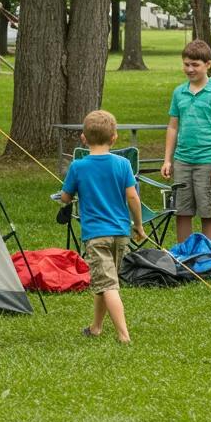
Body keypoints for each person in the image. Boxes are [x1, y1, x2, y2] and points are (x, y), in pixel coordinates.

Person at [59, 109, 147, 344]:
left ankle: (124, 335)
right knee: (104, 281)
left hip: (96, 236)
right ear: (114, 138)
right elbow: (133, 198)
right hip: (120, 234)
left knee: (108, 285)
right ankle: (96, 327)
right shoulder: (123, 164)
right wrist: (138, 226)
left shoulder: (78, 167)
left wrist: (66, 196)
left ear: (83, 138)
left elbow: (66, 198)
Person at [160, 39, 211, 243]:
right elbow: (173, 127)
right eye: (186, 64)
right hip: (183, 160)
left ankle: (208, 256)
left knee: (209, 211)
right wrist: (168, 159)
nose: (189, 69)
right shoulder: (179, 92)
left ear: (208, 64)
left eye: (195, 65)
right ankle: (185, 256)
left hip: (208, 161)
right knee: (182, 211)